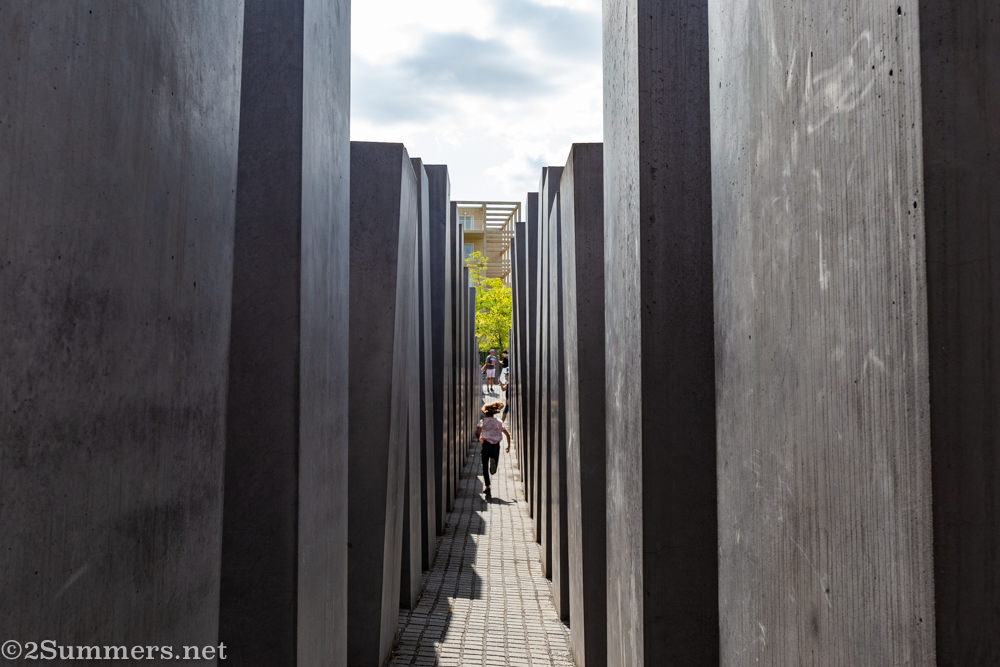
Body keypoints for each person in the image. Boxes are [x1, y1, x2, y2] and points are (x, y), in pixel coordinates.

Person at [476, 401, 510, 500]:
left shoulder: (483, 421)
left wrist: (479, 437)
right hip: (496, 446)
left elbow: (478, 430)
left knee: (485, 467)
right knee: (494, 462)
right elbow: (507, 434)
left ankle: (487, 487)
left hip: (486, 445)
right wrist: (508, 445)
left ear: (485, 413)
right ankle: (494, 460)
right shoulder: (499, 422)